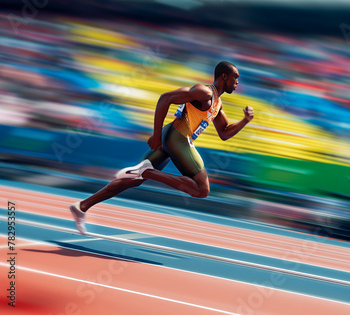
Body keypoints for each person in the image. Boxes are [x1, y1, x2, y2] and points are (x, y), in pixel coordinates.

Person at [70, 61, 254, 234]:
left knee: (132, 179)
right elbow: (165, 98)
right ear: (223, 76)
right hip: (177, 137)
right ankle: (147, 172)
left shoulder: (217, 103)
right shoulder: (204, 92)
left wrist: (245, 120)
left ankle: (82, 206)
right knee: (202, 189)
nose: (237, 82)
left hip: (174, 137)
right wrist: (156, 134)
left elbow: (224, 133)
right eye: (235, 77)